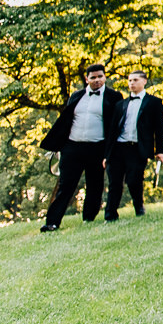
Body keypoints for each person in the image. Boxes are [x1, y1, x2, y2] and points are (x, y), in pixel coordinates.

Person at [40, 63, 125, 231]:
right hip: (72, 147)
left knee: (95, 185)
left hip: (97, 147)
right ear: (87, 79)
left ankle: (88, 218)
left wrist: (111, 152)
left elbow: (117, 126)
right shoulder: (76, 96)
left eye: (100, 76)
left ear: (105, 77)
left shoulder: (114, 97)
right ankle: (52, 222)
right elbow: (66, 121)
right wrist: (59, 144)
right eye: (93, 77)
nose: (97, 80)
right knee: (66, 185)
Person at [105, 70, 163, 220]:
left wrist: (160, 151)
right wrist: (106, 155)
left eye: (135, 80)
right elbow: (112, 130)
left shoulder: (154, 103)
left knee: (134, 180)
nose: (132, 83)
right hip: (118, 147)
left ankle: (139, 207)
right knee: (114, 182)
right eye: (130, 80)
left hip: (137, 148)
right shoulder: (121, 104)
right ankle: (110, 215)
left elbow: (159, 129)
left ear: (144, 81)